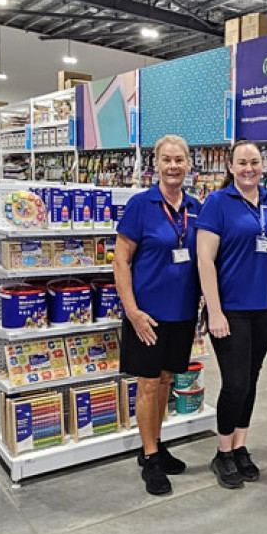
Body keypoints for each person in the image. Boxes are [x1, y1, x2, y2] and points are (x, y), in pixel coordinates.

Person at [197, 140, 267, 489]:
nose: (248, 168)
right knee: (235, 382)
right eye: (241, 162)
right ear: (230, 167)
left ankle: (240, 446)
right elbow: (204, 260)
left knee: (252, 379)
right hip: (230, 310)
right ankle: (222, 452)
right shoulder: (216, 203)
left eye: (254, 162)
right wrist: (214, 310)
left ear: (263, 165)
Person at [113, 134, 201, 496]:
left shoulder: (197, 207)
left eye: (179, 159)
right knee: (148, 383)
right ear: (156, 165)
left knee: (166, 379)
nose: (173, 166)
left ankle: (157, 443)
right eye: (167, 159)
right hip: (146, 316)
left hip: (182, 314)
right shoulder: (141, 205)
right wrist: (131, 311)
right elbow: (121, 260)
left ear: (189, 164)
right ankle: (149, 456)